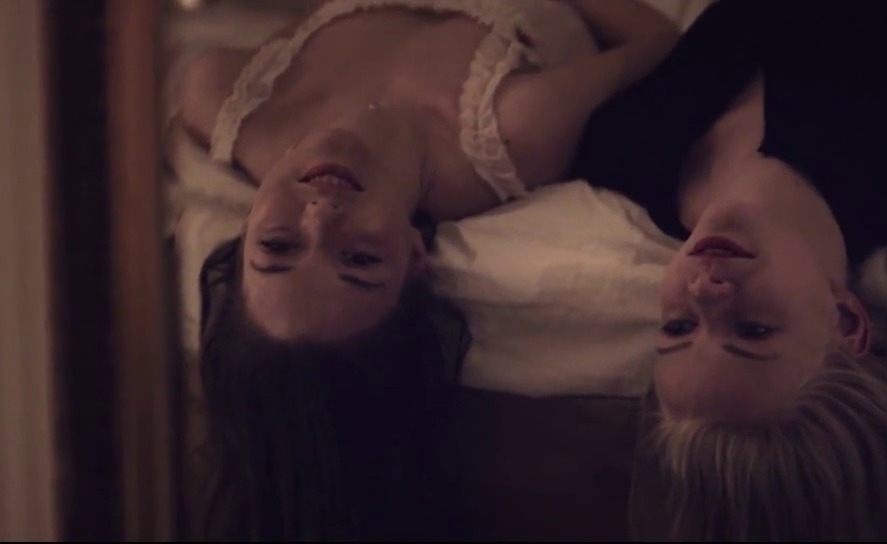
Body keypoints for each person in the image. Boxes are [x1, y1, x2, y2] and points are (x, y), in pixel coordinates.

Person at [172, 0, 680, 539]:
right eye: (359, 259)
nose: (319, 218)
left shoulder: (221, 95)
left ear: (243, 234)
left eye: (278, 246)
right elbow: (658, 44)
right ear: (414, 258)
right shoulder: (514, 128)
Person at [569, 0, 887, 539]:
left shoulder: (622, 156)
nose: (706, 290)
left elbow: (649, 43)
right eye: (752, 331)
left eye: (679, 327)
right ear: (846, 323)